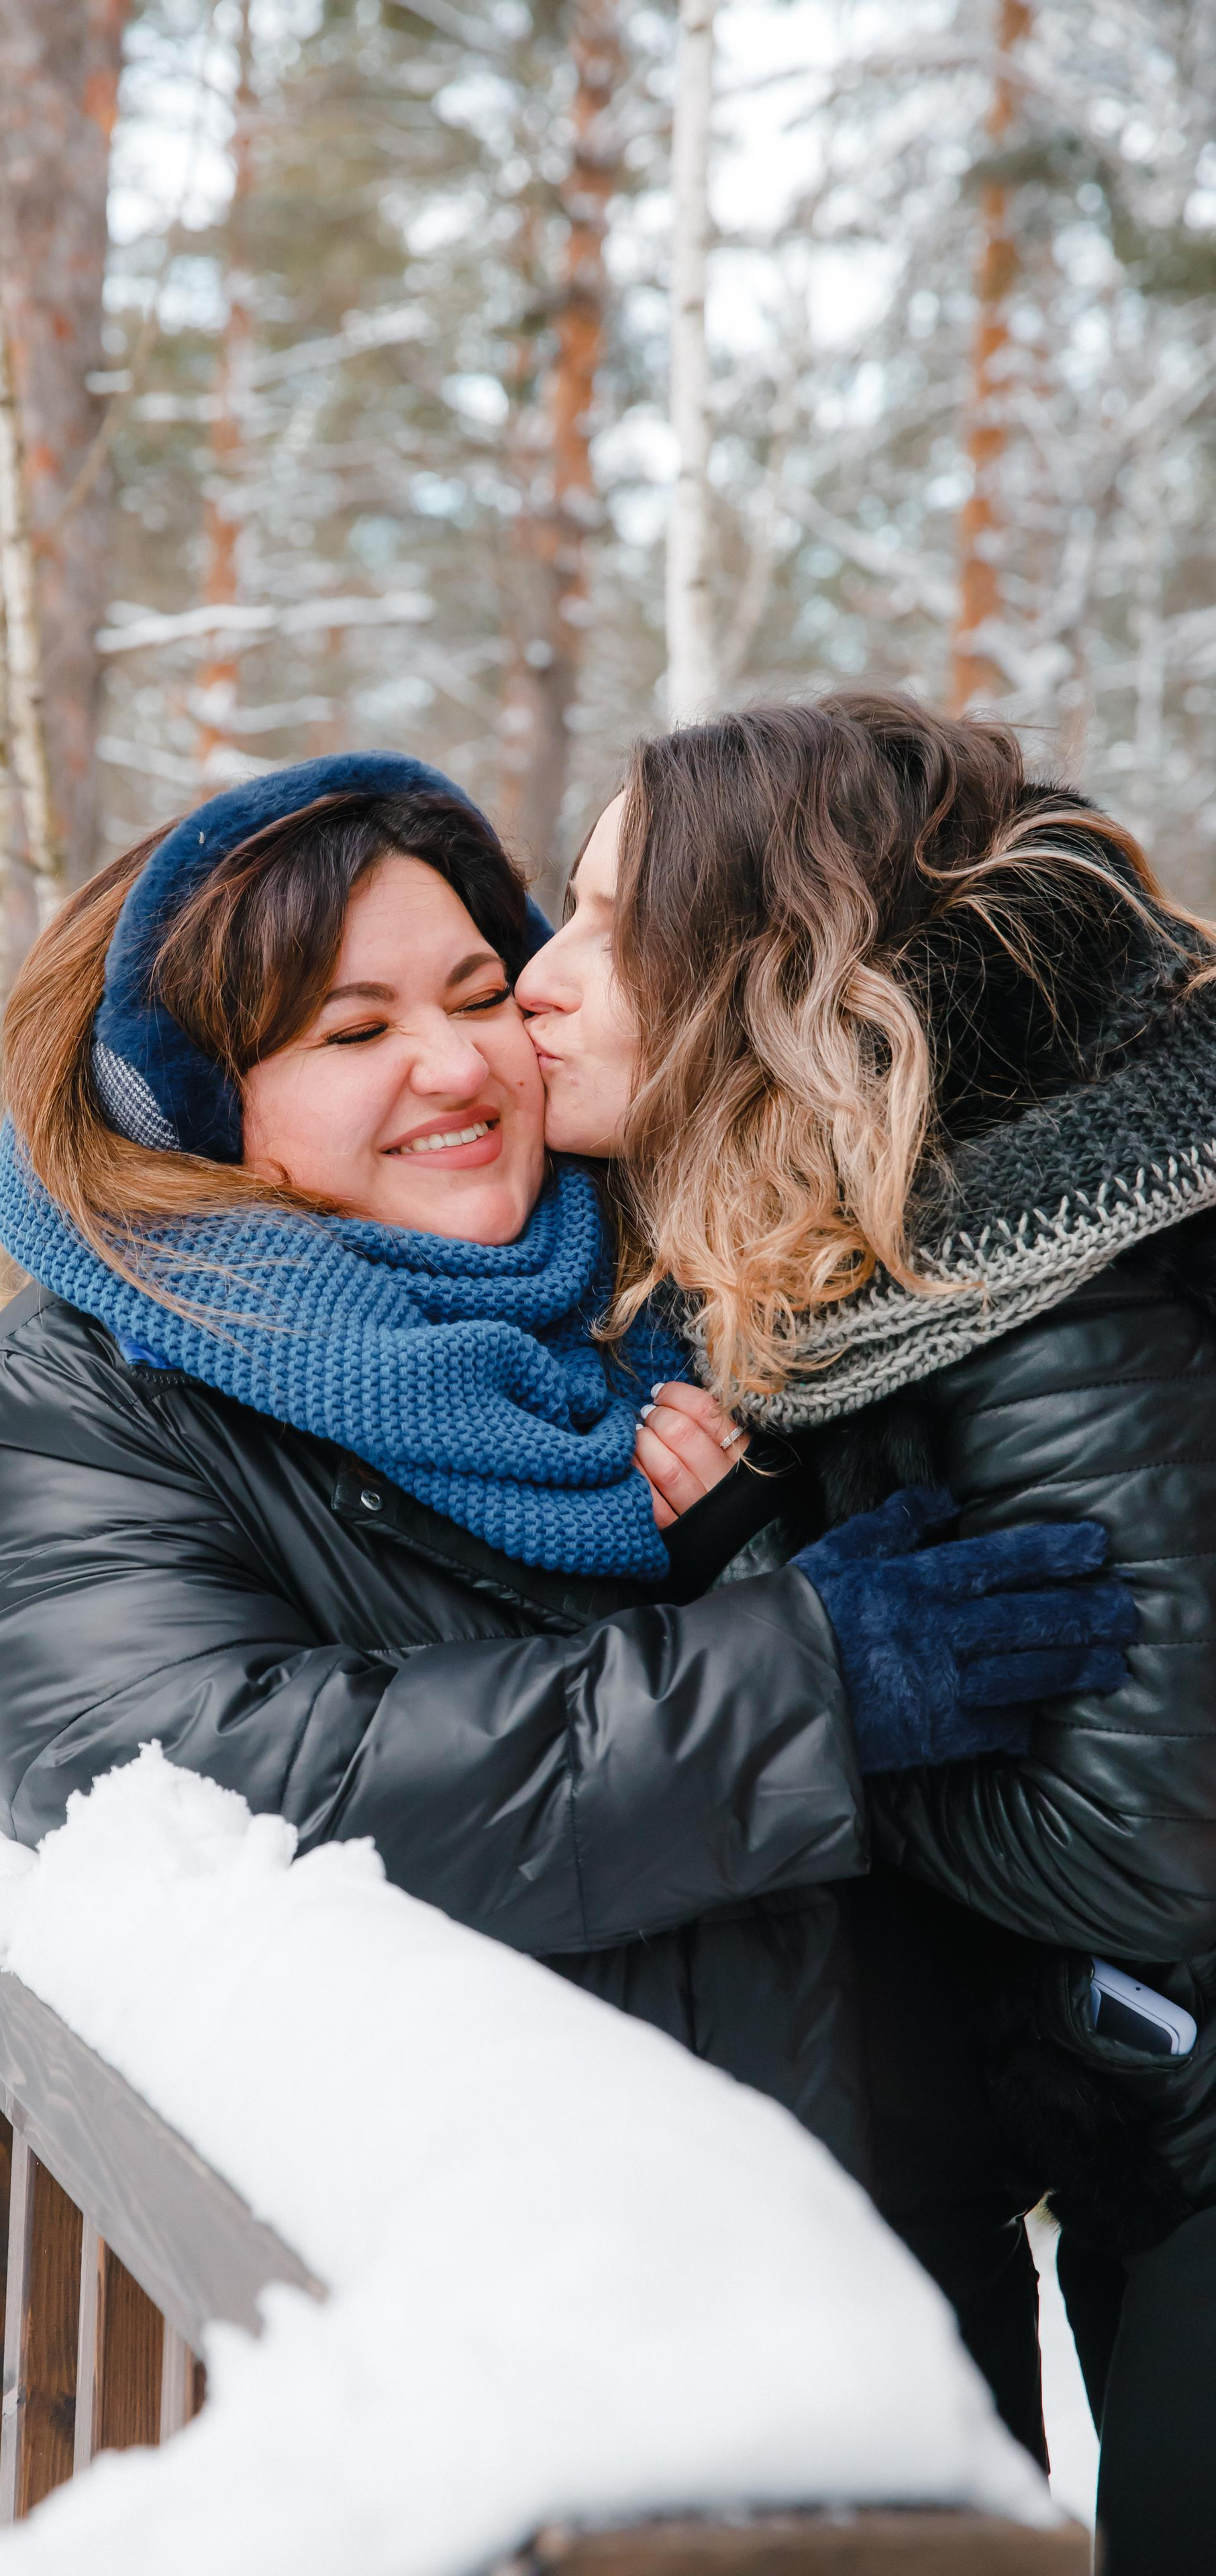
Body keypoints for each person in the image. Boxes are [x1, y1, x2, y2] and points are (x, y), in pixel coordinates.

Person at [0, 749, 1131, 2190]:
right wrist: (801, 1683)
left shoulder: (692, 1266)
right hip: (483, 2259)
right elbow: (184, 1778)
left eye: (480, 993)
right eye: (352, 1031)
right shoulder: (60, 1415)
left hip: (874, 2212)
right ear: (186, 1104)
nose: (458, 1064)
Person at [515, 693, 1216, 2575]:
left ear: (765, 974)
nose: (535, 980)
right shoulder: (896, 1255)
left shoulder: (1055, 1290)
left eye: (604, 925)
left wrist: (802, 1672)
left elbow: (1155, 1847)